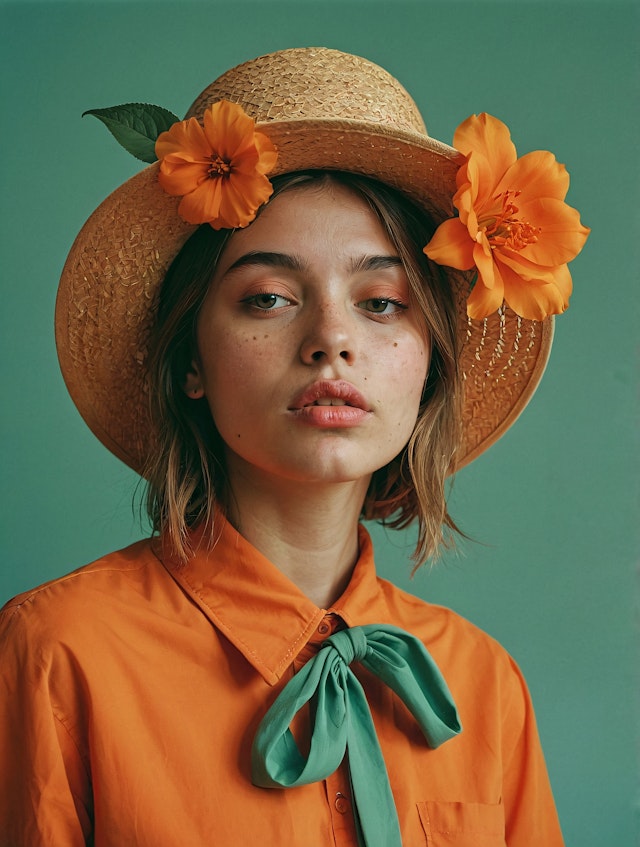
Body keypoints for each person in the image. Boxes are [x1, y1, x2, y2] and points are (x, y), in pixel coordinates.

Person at [0, 47, 589, 846]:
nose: (331, 340)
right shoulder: (57, 654)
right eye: (269, 297)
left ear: (430, 364)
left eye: (381, 301)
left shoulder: (483, 684)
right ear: (191, 363)